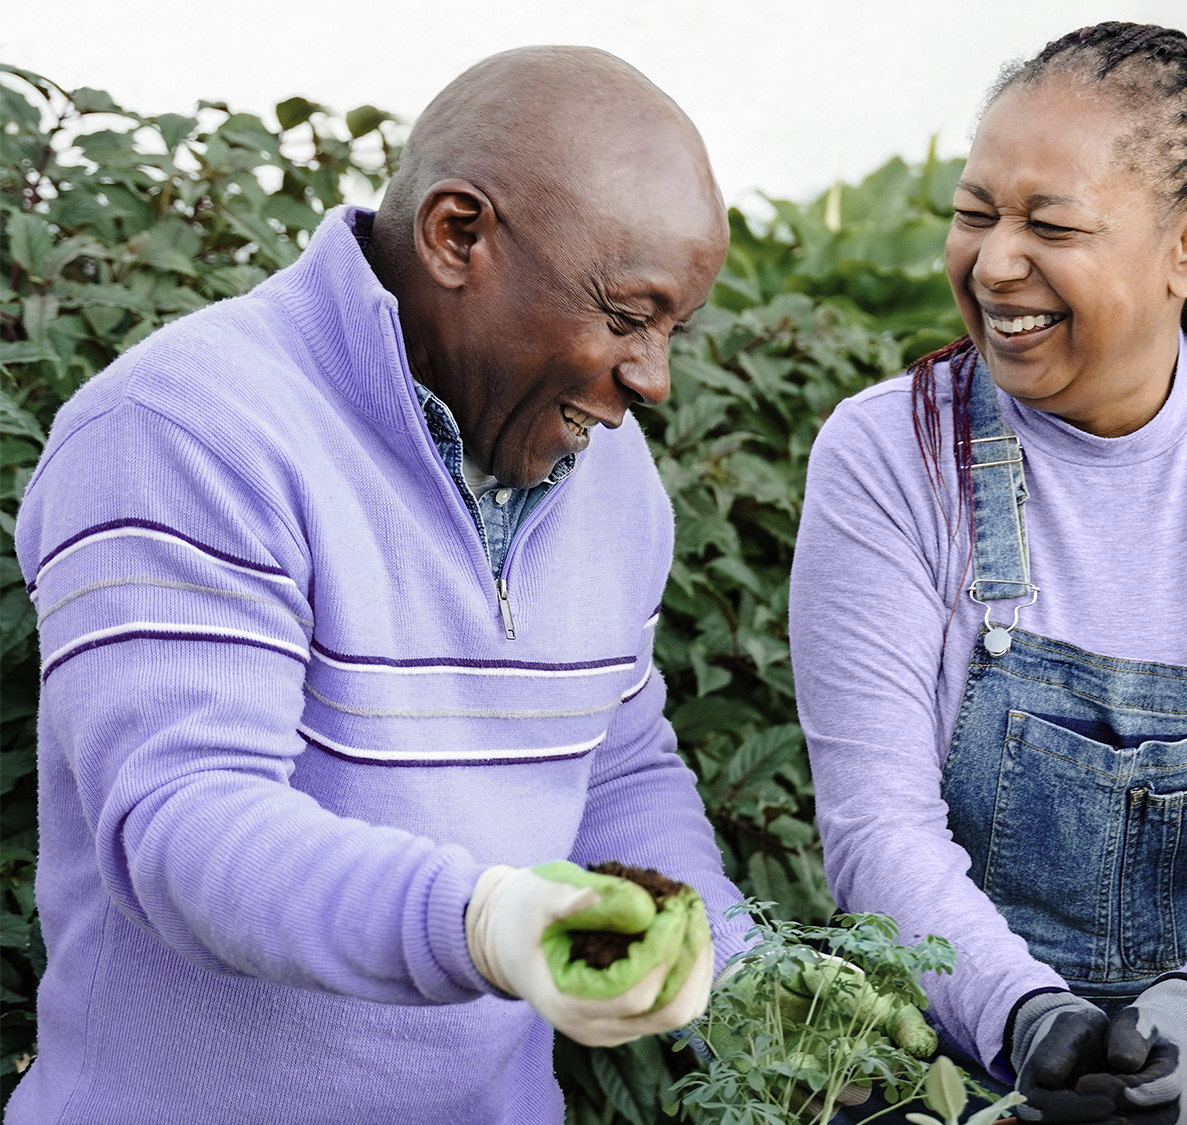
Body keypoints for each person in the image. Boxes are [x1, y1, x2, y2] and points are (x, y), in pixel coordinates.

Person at [11, 47, 748, 1122]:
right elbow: (186, 824)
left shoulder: (613, 476)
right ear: (459, 235)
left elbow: (617, 767)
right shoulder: (188, 428)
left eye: (671, 330)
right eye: (628, 315)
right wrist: (489, 924)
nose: (652, 378)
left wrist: (723, 956)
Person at [791, 23, 1187, 1125]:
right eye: (974, 213)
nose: (991, 264)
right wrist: (1030, 1018)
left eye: (1049, 224)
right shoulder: (891, 455)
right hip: (953, 1077)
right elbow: (876, 829)